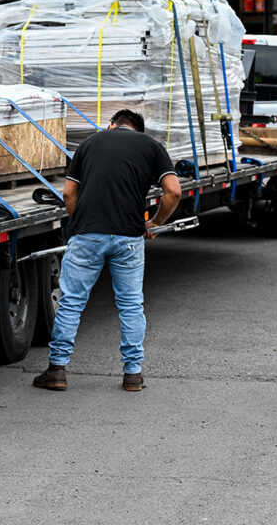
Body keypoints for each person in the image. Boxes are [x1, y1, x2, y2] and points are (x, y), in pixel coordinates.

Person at [33, 109, 182, 393]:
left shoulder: (89, 143)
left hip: (88, 234)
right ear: (138, 131)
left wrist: (81, 223)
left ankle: (57, 370)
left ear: (112, 125)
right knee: (131, 305)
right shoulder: (151, 146)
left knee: (71, 302)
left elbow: (68, 193)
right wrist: (155, 222)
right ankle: (133, 374)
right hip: (129, 237)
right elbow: (173, 191)